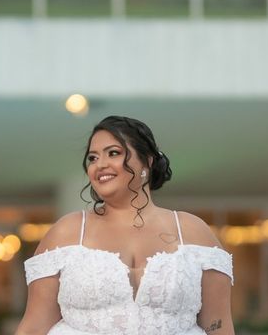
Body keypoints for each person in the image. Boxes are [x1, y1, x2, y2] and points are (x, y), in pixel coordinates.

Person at [15, 115, 234, 335]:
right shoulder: (67, 232)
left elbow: (218, 325)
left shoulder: (192, 231)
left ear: (147, 161)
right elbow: (35, 326)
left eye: (113, 153)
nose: (99, 164)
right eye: (92, 158)